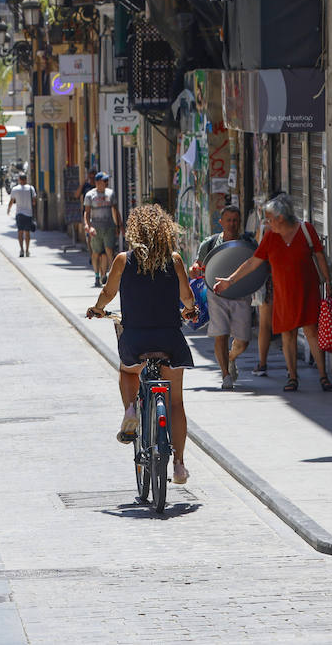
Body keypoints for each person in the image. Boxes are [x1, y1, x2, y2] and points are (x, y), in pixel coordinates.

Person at [86, 205, 198, 485]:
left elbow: (108, 292)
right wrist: (189, 310)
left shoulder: (123, 260)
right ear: (165, 231)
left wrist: (97, 309)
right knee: (176, 402)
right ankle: (179, 465)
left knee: (127, 372)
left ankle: (130, 411)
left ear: (134, 231)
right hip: (170, 340)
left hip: (136, 339)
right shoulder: (174, 260)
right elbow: (187, 298)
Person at [214, 194, 332, 392]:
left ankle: (323, 376)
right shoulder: (271, 236)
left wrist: (328, 281)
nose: (267, 223)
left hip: (307, 291)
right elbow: (253, 262)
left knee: (311, 331)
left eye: (269, 219)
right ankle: (292, 377)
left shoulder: (306, 230)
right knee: (288, 334)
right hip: (284, 294)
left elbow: (319, 255)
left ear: (281, 218)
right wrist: (230, 280)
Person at [188, 205, 254, 390]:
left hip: (241, 295)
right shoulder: (209, 244)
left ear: (239, 222)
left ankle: (231, 357)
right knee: (221, 334)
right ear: (221, 222)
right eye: (228, 220)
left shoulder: (248, 243)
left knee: (243, 341)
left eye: (235, 220)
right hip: (216, 294)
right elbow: (196, 266)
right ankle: (226, 375)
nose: (232, 224)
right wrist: (194, 269)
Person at [240, 201, 275, 376]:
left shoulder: (264, 227)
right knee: (284, 326)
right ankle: (290, 371)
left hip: (268, 280)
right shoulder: (289, 228)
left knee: (265, 324)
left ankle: (262, 364)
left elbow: (258, 253)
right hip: (277, 279)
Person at [83, 172, 123, 288]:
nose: (106, 183)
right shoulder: (90, 195)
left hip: (109, 227)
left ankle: (111, 275)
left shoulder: (110, 193)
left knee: (109, 251)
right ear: (97, 182)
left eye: (107, 181)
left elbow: (115, 210)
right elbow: (87, 212)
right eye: (104, 181)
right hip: (95, 228)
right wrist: (88, 225)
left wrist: (119, 225)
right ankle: (97, 276)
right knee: (96, 253)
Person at [6, 172, 37, 257]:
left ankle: (21, 250)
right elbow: (34, 202)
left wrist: (8, 209)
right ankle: (27, 250)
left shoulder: (15, 189)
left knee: (20, 232)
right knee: (27, 233)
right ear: (26, 179)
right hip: (28, 213)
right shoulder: (31, 188)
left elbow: (12, 201)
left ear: (19, 180)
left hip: (19, 213)